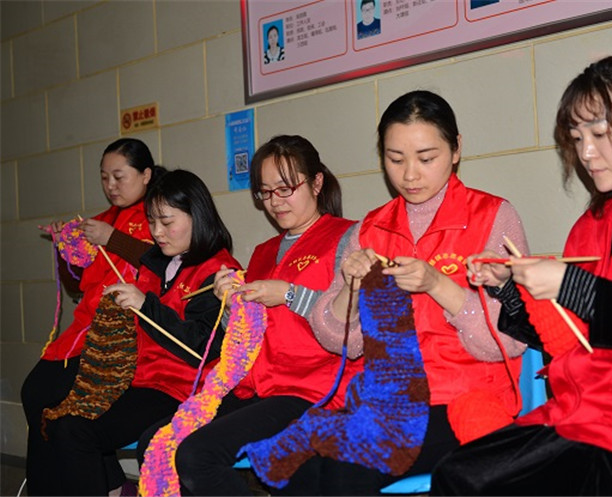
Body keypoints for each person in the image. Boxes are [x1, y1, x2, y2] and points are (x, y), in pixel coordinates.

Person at [431, 55, 612, 496]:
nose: (586, 153)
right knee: (460, 474)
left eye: (601, 134)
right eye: (577, 137)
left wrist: (569, 284)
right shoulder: (590, 226)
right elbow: (568, 335)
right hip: (593, 416)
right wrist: (509, 289)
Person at [243, 90, 528, 495]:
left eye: (426, 158)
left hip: (465, 401)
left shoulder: (492, 217)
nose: (410, 175)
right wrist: (351, 290)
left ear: (456, 149)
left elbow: (510, 340)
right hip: (387, 403)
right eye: (395, 159)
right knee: (293, 462)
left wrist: (439, 285)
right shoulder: (370, 230)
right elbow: (341, 342)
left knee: (347, 467)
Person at [135, 135, 362, 495]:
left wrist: (287, 294)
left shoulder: (348, 238)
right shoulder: (263, 252)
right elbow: (247, 333)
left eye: (285, 189)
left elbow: (353, 325)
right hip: (259, 385)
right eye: (265, 192)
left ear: (317, 183)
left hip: (314, 388)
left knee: (197, 455)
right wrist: (229, 306)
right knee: (156, 440)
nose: (275, 202)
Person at [42, 169, 239, 496]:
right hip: (140, 379)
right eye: (152, 221)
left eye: (167, 221)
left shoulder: (218, 272)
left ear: (197, 216)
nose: (157, 232)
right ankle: (116, 488)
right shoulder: (159, 260)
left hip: (181, 389)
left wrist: (145, 306)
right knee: (60, 417)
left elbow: (201, 348)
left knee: (76, 430)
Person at [21, 138, 162, 496]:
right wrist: (65, 251)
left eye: (119, 176)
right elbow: (77, 285)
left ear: (146, 175)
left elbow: (164, 263)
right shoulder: (99, 221)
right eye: (104, 177)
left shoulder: (159, 216)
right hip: (83, 332)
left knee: (57, 403)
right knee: (35, 393)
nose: (111, 185)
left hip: (123, 338)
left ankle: (92, 485)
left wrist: (113, 239)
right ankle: (99, 483)